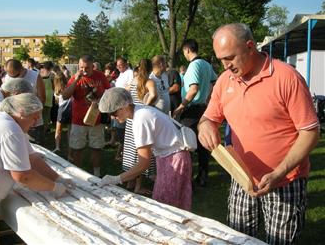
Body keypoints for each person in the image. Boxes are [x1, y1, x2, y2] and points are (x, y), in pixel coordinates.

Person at [198, 23, 319, 244]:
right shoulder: (225, 81)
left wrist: (279, 173)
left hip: (285, 180)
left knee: (281, 241)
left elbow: (310, 132)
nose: (225, 66)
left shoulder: (286, 77)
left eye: (230, 58)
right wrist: (205, 126)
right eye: (221, 59)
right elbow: (208, 118)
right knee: (239, 239)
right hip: (241, 177)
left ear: (250, 46)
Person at [0, 93, 74, 244]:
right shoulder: (9, 129)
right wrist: (55, 188)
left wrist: (57, 178)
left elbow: (33, 159)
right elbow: (23, 176)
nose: (36, 123)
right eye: (35, 117)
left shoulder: (7, 123)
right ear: (22, 112)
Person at [98, 88, 192, 210]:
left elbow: (144, 163)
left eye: (113, 113)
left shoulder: (140, 119)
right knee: (173, 204)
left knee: (166, 208)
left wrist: (117, 179)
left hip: (174, 159)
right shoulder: (140, 111)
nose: (112, 117)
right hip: (172, 156)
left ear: (124, 106)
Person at [173, 39, 217, 187]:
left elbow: (193, 89)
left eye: (184, 52)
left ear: (187, 50)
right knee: (203, 144)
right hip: (203, 109)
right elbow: (213, 84)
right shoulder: (206, 64)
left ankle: (188, 179)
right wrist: (208, 99)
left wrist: (180, 107)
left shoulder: (193, 66)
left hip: (191, 110)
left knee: (188, 145)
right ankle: (203, 177)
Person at [62, 55, 110, 175]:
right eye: (81, 67)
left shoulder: (100, 76)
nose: (83, 70)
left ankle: (96, 174)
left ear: (92, 66)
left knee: (96, 148)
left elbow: (108, 92)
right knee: (77, 149)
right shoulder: (75, 77)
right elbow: (65, 95)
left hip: (96, 119)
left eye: (87, 68)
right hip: (79, 120)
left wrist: (101, 101)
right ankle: (79, 174)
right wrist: (76, 80)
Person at [122, 59, 158, 195]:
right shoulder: (149, 82)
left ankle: (130, 182)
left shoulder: (133, 81)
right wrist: (147, 106)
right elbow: (154, 94)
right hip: (142, 118)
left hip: (131, 119)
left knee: (133, 151)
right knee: (142, 152)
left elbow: (123, 92)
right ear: (150, 69)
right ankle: (138, 186)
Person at [4, 59, 46, 145]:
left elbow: (42, 99)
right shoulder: (8, 77)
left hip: (33, 122)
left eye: (16, 76)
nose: (14, 79)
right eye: (12, 77)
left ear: (21, 69)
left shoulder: (35, 76)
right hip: (16, 120)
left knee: (35, 147)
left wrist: (35, 118)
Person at [114, 57, 134, 161]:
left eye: (120, 65)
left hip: (126, 105)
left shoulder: (130, 72)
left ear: (126, 63)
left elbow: (131, 86)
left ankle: (123, 153)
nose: (119, 67)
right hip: (119, 104)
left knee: (123, 131)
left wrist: (120, 92)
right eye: (117, 66)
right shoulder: (121, 74)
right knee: (119, 130)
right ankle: (122, 153)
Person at [52, 72, 72, 152]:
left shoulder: (56, 90)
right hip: (70, 109)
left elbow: (57, 103)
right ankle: (70, 147)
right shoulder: (69, 87)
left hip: (61, 110)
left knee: (58, 130)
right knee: (70, 131)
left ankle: (57, 147)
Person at [40, 61, 55, 133]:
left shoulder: (40, 72)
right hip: (49, 94)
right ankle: (46, 128)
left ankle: (42, 128)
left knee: (41, 113)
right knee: (47, 113)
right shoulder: (52, 74)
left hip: (41, 93)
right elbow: (53, 85)